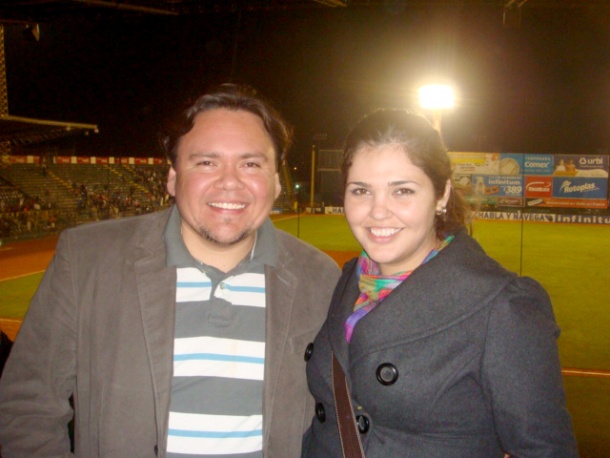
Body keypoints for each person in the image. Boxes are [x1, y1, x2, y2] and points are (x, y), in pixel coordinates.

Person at [0, 83, 341, 458]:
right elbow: (26, 404)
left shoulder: (319, 277)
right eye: (206, 162)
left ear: (275, 182)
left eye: (251, 164)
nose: (230, 181)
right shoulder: (88, 260)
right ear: (173, 178)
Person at [302, 109, 578, 457]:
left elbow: (544, 450)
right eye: (361, 190)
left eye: (402, 191)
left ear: (442, 195)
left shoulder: (502, 306)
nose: (377, 211)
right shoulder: (349, 281)